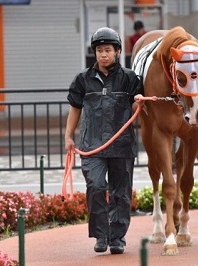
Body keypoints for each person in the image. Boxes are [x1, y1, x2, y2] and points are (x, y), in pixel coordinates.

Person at [64, 27, 144, 254]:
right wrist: (68, 136)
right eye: (99, 50)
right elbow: (75, 109)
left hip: (122, 145)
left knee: (121, 192)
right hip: (93, 145)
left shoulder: (130, 79)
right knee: (96, 186)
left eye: (108, 50)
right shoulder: (83, 79)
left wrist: (139, 101)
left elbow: (137, 108)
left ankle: (117, 238)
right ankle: (101, 235)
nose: (103, 54)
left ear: (117, 51)